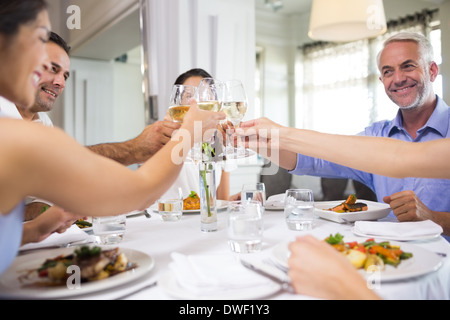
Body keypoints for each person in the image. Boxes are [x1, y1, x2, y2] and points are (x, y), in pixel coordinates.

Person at [0, 0, 225, 274]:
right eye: (37, 44)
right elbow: (140, 191)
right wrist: (189, 132)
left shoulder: (33, 126)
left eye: (65, 74)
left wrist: (34, 230)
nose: (58, 80)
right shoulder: (12, 134)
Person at [239, 32, 450, 239]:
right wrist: (251, 141)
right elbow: (313, 160)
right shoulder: (376, 135)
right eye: (388, 71)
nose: (398, 79)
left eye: (408, 66)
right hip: (389, 259)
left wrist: (433, 218)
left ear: (432, 71)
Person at [0, 31, 182, 220]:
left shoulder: (42, 123)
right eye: (52, 69)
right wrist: (135, 149)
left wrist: (43, 220)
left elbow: (50, 188)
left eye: (65, 76)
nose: (60, 83)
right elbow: (60, 165)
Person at [161, 68, 232, 201]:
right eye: (189, 96)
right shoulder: (164, 137)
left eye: (204, 95)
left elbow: (221, 200)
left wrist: (234, 200)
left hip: (203, 220)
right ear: (177, 101)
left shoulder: (217, 141)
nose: (196, 101)